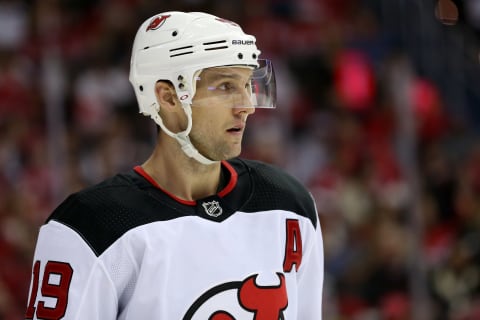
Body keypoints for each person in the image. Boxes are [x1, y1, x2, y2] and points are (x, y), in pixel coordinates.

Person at [24, 11, 324, 319]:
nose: (246, 105)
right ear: (168, 97)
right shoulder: (90, 226)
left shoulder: (289, 205)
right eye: (225, 86)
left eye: (247, 84)